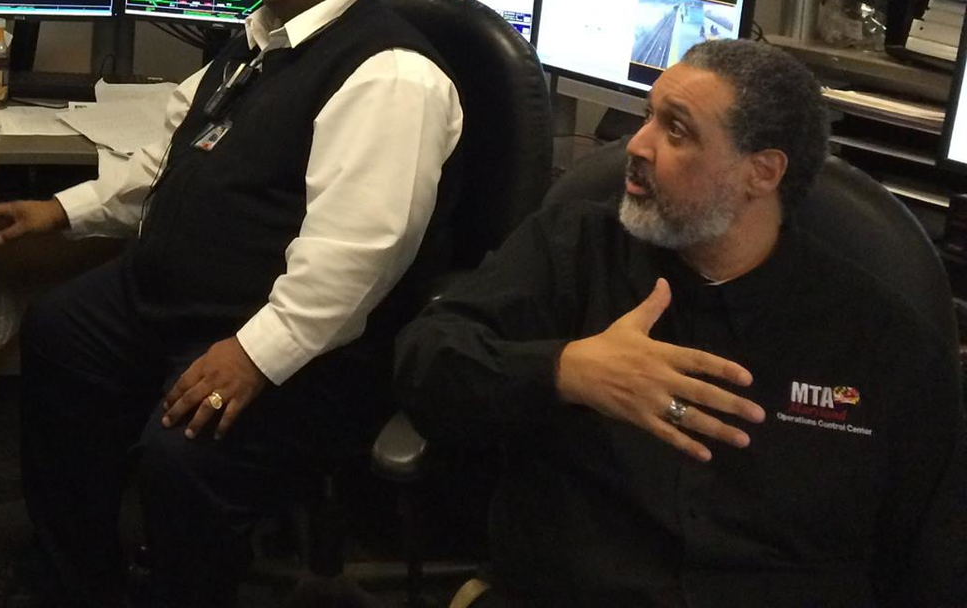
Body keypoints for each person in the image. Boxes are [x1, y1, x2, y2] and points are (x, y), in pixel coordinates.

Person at [0, 0, 463, 607]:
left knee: (183, 459)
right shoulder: (257, 43)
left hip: (283, 337)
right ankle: (78, 577)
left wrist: (253, 355)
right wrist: (63, 210)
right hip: (170, 299)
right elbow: (170, 158)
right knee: (58, 334)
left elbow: (359, 254)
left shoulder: (390, 74)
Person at [394, 39, 964, 608]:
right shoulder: (577, 248)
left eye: (676, 131)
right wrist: (564, 370)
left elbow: (930, 560)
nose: (636, 146)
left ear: (761, 173)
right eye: (648, 117)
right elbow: (426, 364)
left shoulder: (878, 338)